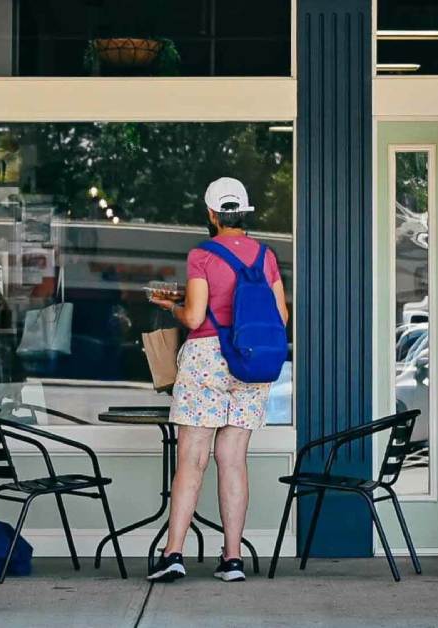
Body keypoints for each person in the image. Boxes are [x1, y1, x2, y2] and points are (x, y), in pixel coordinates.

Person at [146, 177, 289, 583]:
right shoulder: (266, 256)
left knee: (192, 460)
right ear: (244, 213)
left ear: (211, 214)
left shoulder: (202, 255)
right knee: (233, 460)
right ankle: (232, 560)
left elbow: (194, 317)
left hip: (208, 357)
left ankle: (174, 554)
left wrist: (176, 309)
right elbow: (280, 317)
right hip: (251, 362)